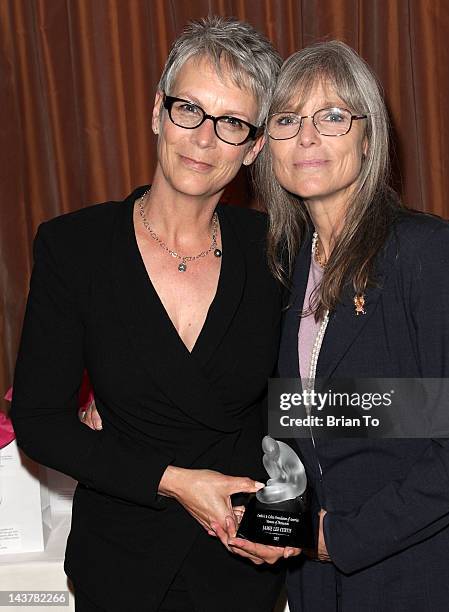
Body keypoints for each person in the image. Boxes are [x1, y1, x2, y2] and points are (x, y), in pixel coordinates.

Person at [10, 17, 297, 612]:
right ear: (156, 112)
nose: (203, 139)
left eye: (231, 123)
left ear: (255, 147)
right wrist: (171, 480)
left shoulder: (277, 250)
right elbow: (39, 421)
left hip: (237, 562)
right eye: (188, 109)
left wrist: (287, 516)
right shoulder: (73, 247)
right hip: (119, 563)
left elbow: (294, 407)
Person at [228, 41, 449, 610]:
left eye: (332, 116)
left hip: (426, 581)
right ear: (267, 147)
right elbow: (298, 427)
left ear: (368, 136)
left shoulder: (428, 252)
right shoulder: (283, 268)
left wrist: (339, 537)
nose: (306, 137)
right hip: (318, 588)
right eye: (287, 119)